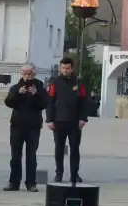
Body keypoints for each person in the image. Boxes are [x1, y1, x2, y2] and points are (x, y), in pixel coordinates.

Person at [46, 55, 89, 184]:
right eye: (63, 68)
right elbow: (50, 102)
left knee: (75, 149)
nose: (65, 70)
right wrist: (50, 120)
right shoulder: (55, 83)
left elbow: (84, 102)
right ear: (60, 68)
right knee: (59, 149)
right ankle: (59, 173)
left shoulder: (79, 83)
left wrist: (83, 118)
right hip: (59, 121)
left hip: (75, 122)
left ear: (72, 69)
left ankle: (74, 175)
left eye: (67, 68)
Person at [6, 63, 48, 191]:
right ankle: (14, 183)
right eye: (25, 73)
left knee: (31, 156)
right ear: (21, 74)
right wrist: (18, 94)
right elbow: (8, 102)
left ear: (34, 74)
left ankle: (31, 183)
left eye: (30, 73)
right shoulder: (15, 87)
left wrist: (36, 95)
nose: (27, 76)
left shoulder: (40, 87)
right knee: (15, 156)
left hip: (33, 127)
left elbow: (45, 104)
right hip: (17, 126)